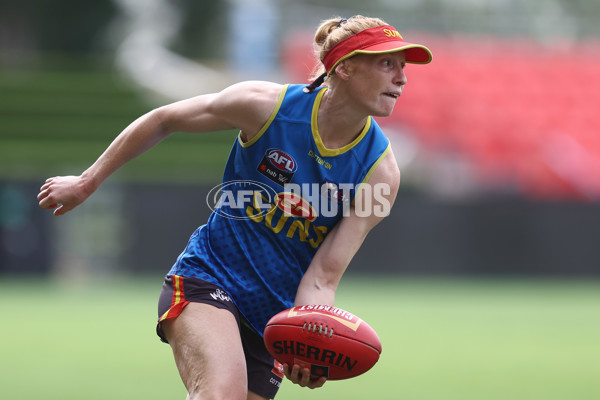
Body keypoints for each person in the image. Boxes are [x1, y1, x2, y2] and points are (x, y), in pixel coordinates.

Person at [37, 15, 432, 400]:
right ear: (345, 68)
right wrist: (86, 182)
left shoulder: (379, 173)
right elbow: (163, 119)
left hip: (273, 319)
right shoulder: (265, 106)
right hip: (209, 277)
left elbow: (323, 278)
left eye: (402, 67)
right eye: (387, 64)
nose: (402, 77)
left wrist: (309, 340)